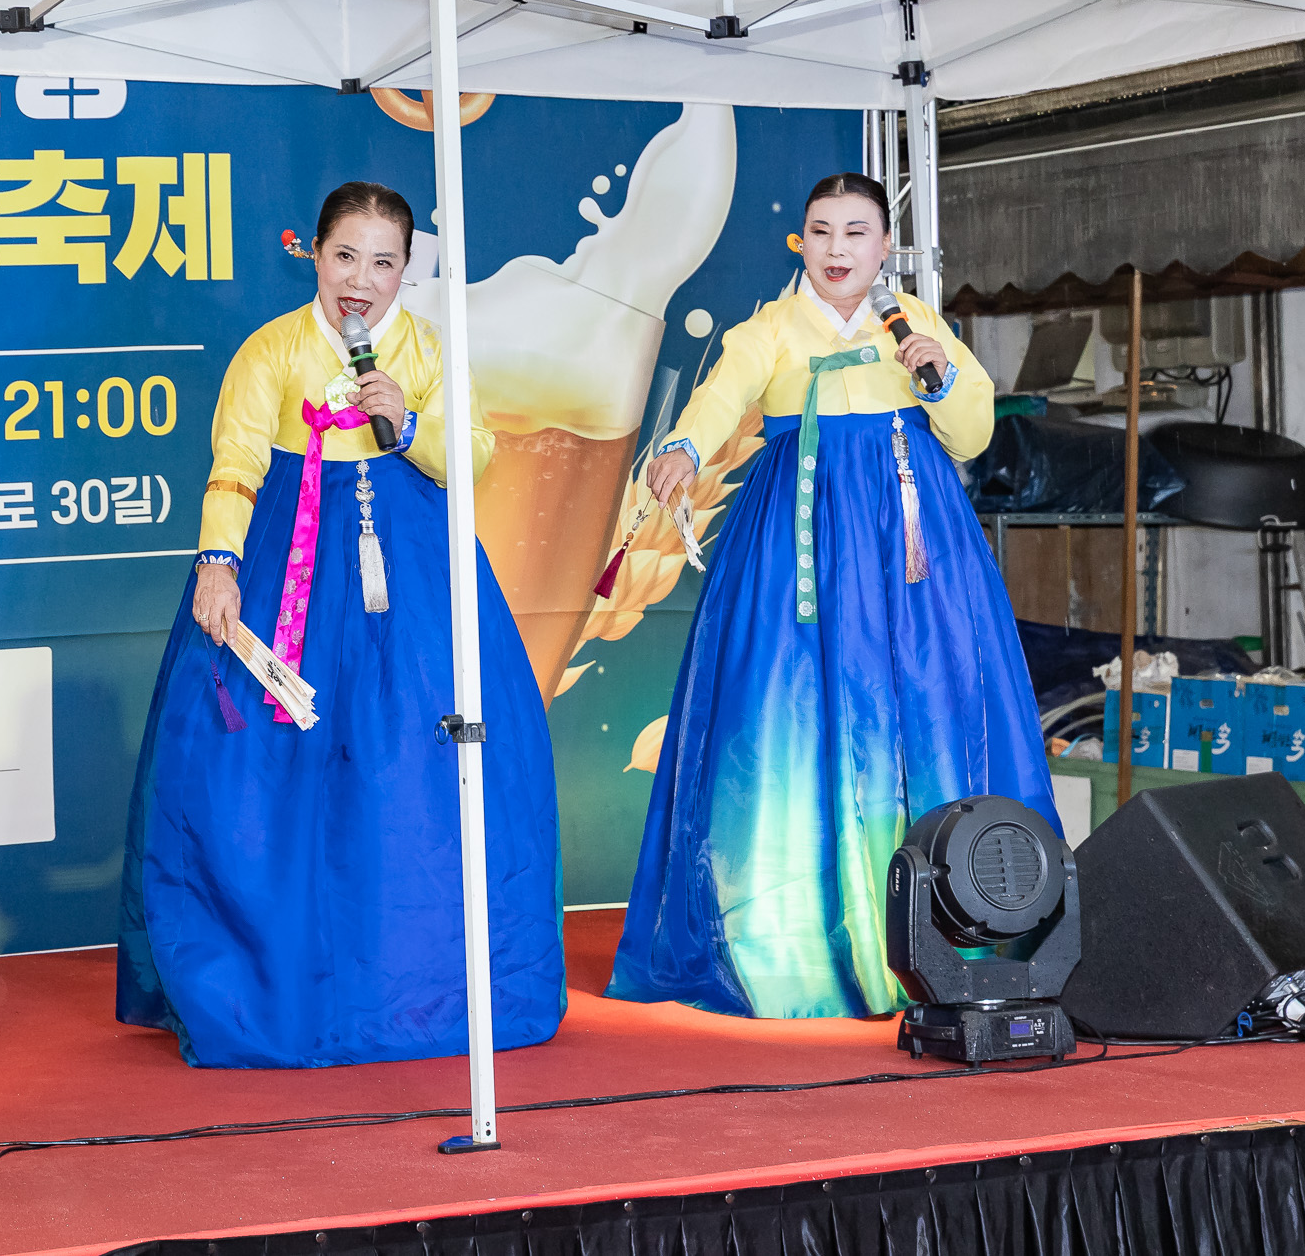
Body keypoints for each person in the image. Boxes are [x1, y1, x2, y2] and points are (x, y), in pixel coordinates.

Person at [117, 182, 565, 1068]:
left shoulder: (430, 350)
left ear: (408, 269)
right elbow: (236, 460)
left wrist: (404, 421)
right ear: (314, 255)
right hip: (292, 562)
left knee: (418, 767)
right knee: (271, 773)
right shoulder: (270, 350)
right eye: (346, 257)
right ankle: (276, 981)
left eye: (385, 261)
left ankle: (416, 987)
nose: (362, 280)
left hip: (416, 571)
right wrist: (218, 561)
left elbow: (472, 455)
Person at [609, 171, 1056, 1020]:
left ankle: (949, 920)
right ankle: (800, 939)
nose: (838, 249)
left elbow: (973, 431)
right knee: (788, 716)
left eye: (857, 232)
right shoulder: (772, 327)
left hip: (914, 546)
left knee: (928, 703)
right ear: (801, 244)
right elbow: (721, 395)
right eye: (822, 232)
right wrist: (682, 449)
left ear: (886, 246)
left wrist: (938, 379)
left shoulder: (919, 326)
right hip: (800, 539)